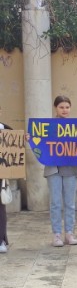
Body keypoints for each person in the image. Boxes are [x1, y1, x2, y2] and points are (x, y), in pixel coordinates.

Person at [43, 96, 77, 247]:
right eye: (61, 107)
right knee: (55, 202)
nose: (64, 110)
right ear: (56, 108)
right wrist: (30, 137)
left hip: (70, 168)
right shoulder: (47, 126)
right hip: (53, 168)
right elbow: (39, 141)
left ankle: (69, 233)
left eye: (67, 107)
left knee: (70, 203)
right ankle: (56, 234)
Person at [0, 107, 12, 253]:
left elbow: (17, 142)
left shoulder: (4, 128)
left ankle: (1, 240)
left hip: (0, 175)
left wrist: (24, 138)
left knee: (0, 209)